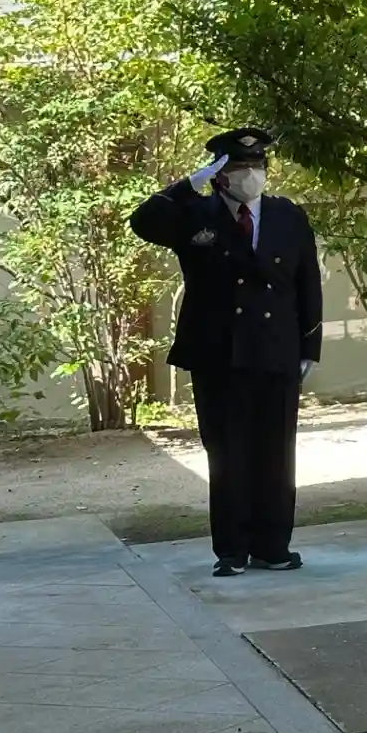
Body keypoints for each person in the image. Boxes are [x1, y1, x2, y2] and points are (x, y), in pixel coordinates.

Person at [129, 128, 321, 578]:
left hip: (276, 349)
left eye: (257, 166)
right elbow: (143, 222)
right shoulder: (194, 214)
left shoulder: (287, 215)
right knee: (227, 453)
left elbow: (307, 283)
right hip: (219, 352)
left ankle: (273, 546)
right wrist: (188, 184)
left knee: (276, 452)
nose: (250, 175)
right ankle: (232, 549)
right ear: (218, 174)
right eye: (238, 167)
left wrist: (309, 346)